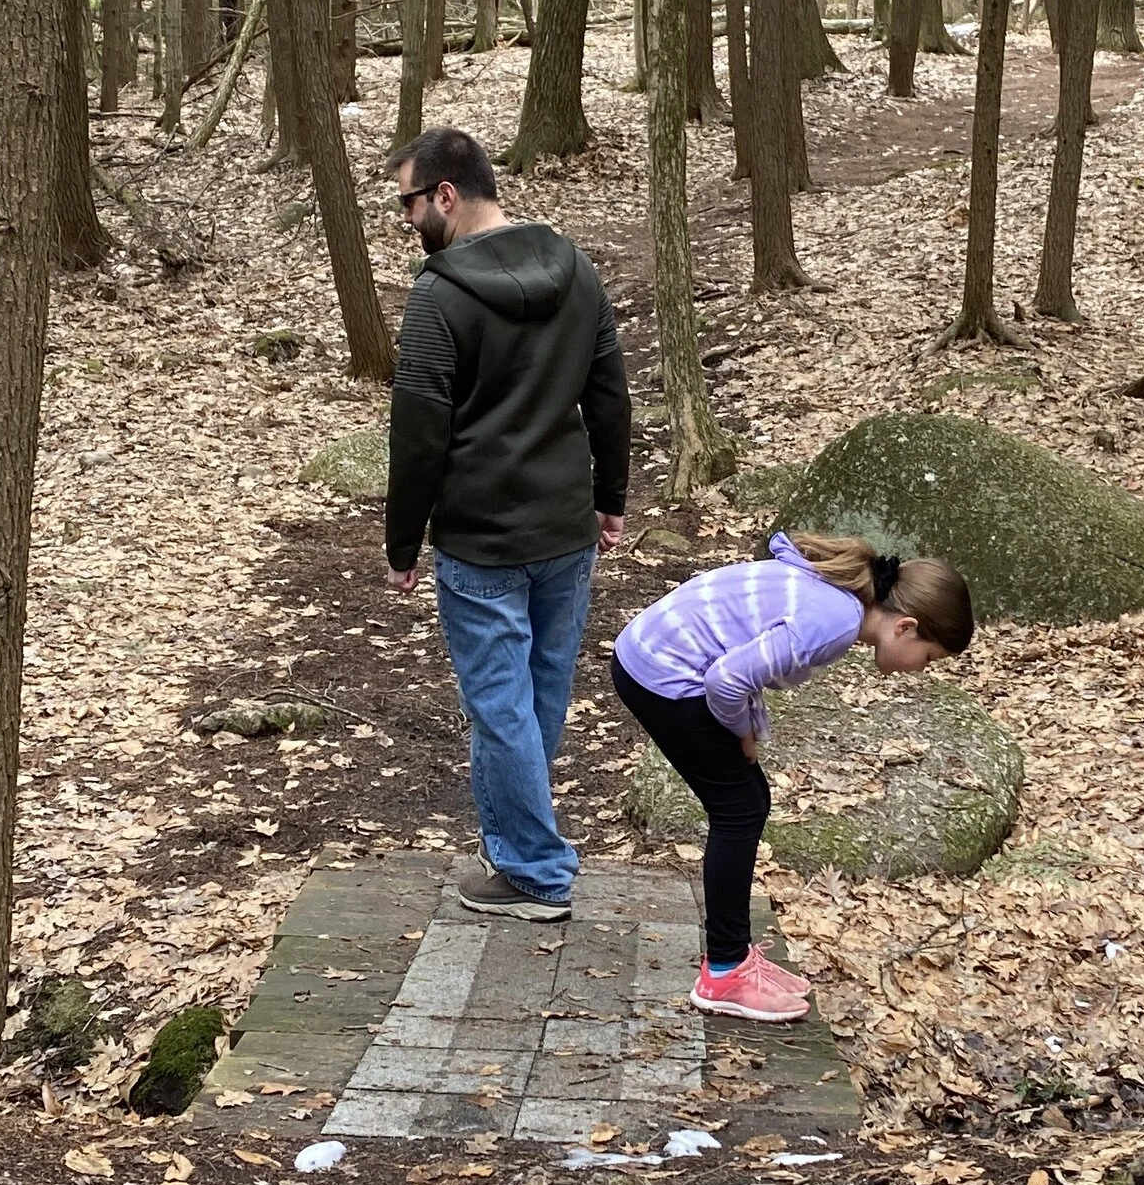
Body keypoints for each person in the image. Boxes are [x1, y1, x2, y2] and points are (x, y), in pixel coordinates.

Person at [384, 126, 630, 921]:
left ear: (446, 195)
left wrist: (401, 544)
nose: (407, 220)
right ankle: (520, 847)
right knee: (536, 699)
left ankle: (533, 871)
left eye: (409, 203)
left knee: (502, 705)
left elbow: (418, 433)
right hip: (565, 529)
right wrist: (611, 497)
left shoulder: (438, 297)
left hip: (482, 541)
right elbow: (609, 395)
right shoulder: (576, 268)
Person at [610, 530, 975, 1021]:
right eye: (928, 658)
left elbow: (746, 661)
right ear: (906, 627)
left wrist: (747, 728)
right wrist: (743, 729)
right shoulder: (835, 622)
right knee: (738, 810)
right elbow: (726, 680)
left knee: (749, 800)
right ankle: (724, 973)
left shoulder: (840, 599)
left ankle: (733, 953)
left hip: (650, 654)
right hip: (660, 670)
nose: (920, 670)